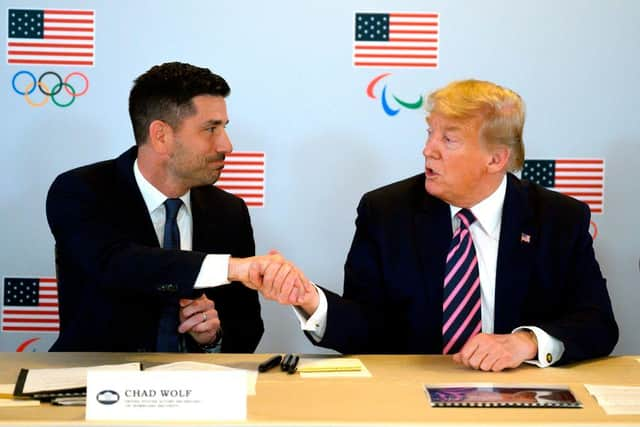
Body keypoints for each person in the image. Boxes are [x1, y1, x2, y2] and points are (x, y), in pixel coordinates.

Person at [253, 79, 619, 371]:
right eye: (430, 133)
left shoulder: (558, 218)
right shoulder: (386, 211)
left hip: (518, 401)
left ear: (495, 158)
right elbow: (366, 330)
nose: (429, 149)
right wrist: (311, 301)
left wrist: (526, 343)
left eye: (449, 139)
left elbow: (598, 324)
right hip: (410, 402)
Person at [46, 61, 302, 352]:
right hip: (93, 386)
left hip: (198, 392)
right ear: (161, 136)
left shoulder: (229, 211)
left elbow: (246, 329)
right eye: (210, 129)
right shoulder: (82, 191)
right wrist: (234, 268)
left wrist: (212, 338)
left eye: (224, 128)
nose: (227, 145)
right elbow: (117, 263)